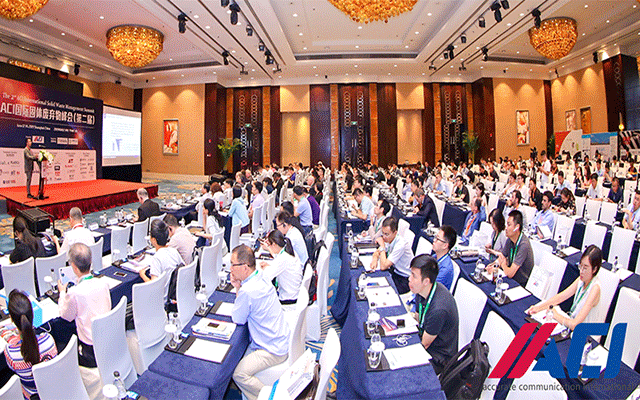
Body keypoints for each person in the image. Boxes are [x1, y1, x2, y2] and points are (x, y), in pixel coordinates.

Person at [231, 245, 290, 400]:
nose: (230, 269)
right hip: (280, 338)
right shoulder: (260, 275)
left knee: (239, 374)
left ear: (244, 267)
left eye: (233, 264)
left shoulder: (247, 291)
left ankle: (270, 397)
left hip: (272, 350)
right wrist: (239, 286)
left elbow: (238, 319)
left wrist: (237, 288)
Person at [58, 243, 111, 369]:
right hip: (108, 341)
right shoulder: (104, 283)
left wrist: (62, 293)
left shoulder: (74, 292)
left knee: (60, 345)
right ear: (90, 262)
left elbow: (66, 316)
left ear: (74, 267)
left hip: (90, 353)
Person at [526, 245, 602, 330]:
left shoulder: (595, 288)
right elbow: (562, 296)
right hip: (570, 322)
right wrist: (539, 308)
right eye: (581, 266)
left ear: (594, 269)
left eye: (585, 268)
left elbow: (575, 325)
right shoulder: (581, 279)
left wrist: (556, 315)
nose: (581, 271)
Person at [0, 289, 58, 399]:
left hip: (31, 395)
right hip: (53, 390)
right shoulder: (48, 340)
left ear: (11, 318)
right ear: (32, 313)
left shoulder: (10, 352)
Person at [408, 254, 459, 375]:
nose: (409, 279)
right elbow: (418, 318)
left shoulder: (439, 309)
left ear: (426, 281)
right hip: (426, 337)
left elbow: (424, 345)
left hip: (439, 357)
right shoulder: (421, 290)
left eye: (414, 276)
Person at [139, 220, 185, 301]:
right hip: (177, 293)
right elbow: (185, 269)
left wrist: (142, 275)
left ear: (153, 240)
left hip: (163, 299)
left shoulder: (156, 258)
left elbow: (153, 286)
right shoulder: (174, 251)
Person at [486, 210, 534, 286]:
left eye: (509, 225)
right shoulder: (510, 239)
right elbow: (502, 257)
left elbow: (510, 273)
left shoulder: (524, 245)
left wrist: (503, 264)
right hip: (510, 276)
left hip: (520, 283)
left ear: (516, 227)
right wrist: (493, 266)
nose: (506, 228)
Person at [369, 217, 413, 294]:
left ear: (395, 233)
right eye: (382, 233)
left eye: (386, 234)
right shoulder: (389, 238)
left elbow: (383, 266)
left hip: (404, 279)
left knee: (379, 290)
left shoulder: (400, 244)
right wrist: (375, 259)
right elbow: (377, 252)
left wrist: (382, 246)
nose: (384, 237)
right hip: (394, 271)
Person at [259, 230, 303, 306]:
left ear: (274, 244)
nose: (268, 247)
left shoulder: (283, 258)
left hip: (288, 300)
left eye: (269, 245)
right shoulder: (288, 252)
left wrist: (264, 268)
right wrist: (268, 266)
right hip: (294, 294)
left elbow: (266, 276)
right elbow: (278, 265)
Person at [432, 225, 457, 291]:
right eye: (435, 237)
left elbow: (431, 289)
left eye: (437, 239)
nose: (434, 240)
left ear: (445, 245)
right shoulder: (434, 257)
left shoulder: (445, 269)